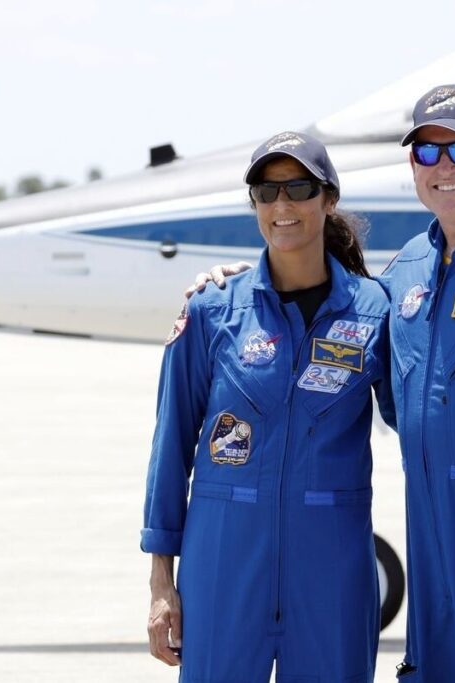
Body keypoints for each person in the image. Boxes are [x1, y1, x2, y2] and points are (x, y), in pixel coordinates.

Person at [193, 84, 455, 682]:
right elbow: (337, 314)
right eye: (427, 152)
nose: (444, 167)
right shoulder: (404, 279)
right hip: (432, 541)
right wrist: (241, 283)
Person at [141, 131, 394, 683]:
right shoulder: (211, 310)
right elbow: (170, 449)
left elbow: (422, 420)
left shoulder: (376, 311)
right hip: (224, 566)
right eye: (266, 191)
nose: (282, 205)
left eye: (299, 188)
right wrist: (162, 582)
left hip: (331, 571)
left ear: (328, 200)